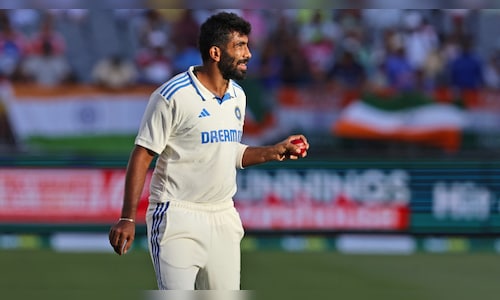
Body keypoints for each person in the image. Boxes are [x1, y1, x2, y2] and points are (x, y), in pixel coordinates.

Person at [108, 11, 309, 290]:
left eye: (247, 45)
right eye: (240, 46)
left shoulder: (238, 96)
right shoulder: (172, 96)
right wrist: (127, 218)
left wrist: (274, 151)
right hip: (176, 216)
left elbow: (228, 152)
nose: (248, 54)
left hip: (223, 215)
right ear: (215, 52)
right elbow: (142, 155)